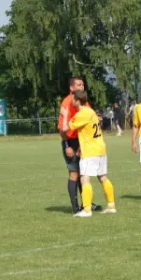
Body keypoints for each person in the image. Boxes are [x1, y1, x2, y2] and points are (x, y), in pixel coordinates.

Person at [64, 90, 116, 217]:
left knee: (84, 178)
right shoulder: (91, 111)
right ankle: (111, 205)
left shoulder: (82, 113)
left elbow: (65, 128)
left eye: (73, 98)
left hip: (90, 151)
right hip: (100, 148)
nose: (71, 100)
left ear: (77, 100)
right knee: (102, 177)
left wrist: (65, 114)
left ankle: (86, 210)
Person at [57, 77, 102, 213]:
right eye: (78, 85)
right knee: (74, 173)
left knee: (84, 172)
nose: (82, 86)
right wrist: (67, 146)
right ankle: (75, 207)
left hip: (83, 142)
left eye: (82, 84)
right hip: (71, 141)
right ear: (71, 88)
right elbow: (61, 128)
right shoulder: (66, 103)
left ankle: (86, 203)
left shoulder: (84, 103)